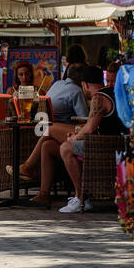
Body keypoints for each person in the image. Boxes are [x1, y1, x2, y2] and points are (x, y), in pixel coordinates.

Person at [57, 65, 126, 213]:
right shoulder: (112, 92)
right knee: (54, 145)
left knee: (65, 148)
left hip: (109, 151)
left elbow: (90, 129)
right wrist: (77, 134)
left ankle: (80, 197)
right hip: (120, 146)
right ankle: (84, 197)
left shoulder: (99, 98)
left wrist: (75, 138)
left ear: (85, 84)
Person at [14, 64, 87, 192]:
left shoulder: (57, 84)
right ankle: (43, 192)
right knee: (49, 137)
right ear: (82, 80)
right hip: (62, 129)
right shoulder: (76, 90)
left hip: (48, 126)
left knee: (49, 135)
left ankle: (29, 167)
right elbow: (84, 117)